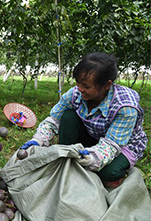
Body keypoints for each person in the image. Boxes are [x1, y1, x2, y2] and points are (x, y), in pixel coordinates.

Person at [20, 52, 148, 188]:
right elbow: (54, 120)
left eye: (86, 86)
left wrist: (93, 158)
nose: (80, 89)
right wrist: (39, 139)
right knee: (69, 116)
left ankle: (116, 174)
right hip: (94, 134)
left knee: (108, 172)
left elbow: (111, 145)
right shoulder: (76, 94)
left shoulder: (126, 107)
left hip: (122, 145)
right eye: (78, 83)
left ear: (106, 85)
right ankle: (65, 159)